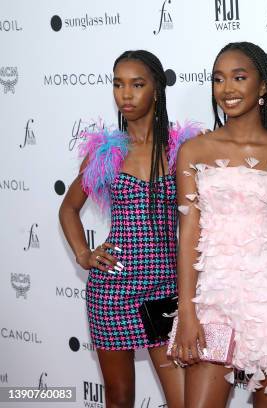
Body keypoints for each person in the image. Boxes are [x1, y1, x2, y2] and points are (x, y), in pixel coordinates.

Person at [59, 50, 200, 408]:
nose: (126, 94)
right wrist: (83, 254)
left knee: (183, 400)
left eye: (137, 84)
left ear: (156, 89)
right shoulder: (107, 153)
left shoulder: (181, 148)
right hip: (113, 291)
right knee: (120, 398)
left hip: (166, 289)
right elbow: (68, 208)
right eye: (118, 84)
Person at [171, 42, 267, 408]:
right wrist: (187, 310)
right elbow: (188, 236)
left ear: (263, 86)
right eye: (218, 79)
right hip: (213, 299)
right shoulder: (194, 151)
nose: (227, 88)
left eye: (239, 77)